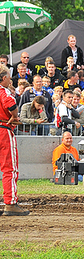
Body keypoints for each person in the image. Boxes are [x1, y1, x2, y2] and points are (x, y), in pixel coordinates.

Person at [0, 65, 29, 215]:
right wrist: (15, 116)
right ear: (4, 78)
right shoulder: (3, 91)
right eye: (9, 78)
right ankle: (10, 203)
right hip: (3, 130)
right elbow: (10, 104)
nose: (10, 80)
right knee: (9, 169)